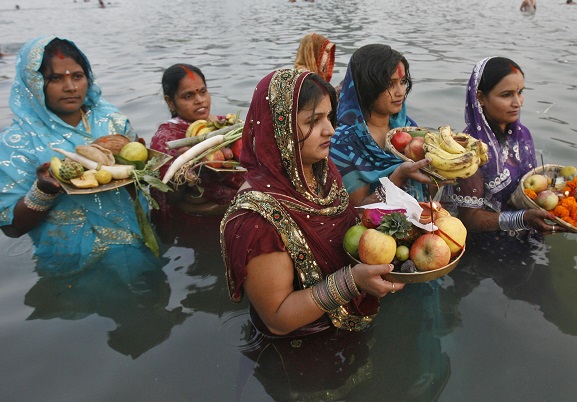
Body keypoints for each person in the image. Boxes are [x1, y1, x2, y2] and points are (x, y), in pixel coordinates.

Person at [221, 68, 404, 337]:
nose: (330, 130)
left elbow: (351, 227)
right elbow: (277, 319)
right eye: (313, 121)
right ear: (279, 129)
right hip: (301, 348)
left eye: (329, 117)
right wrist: (352, 281)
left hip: (348, 328)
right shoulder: (256, 218)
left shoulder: (321, 170)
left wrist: (398, 184)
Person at [0, 36, 159, 278]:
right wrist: (44, 190)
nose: (71, 87)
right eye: (55, 78)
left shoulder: (112, 121)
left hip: (136, 246)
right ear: (33, 83)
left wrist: (141, 168)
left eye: (77, 76)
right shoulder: (18, 142)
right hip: (70, 264)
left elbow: (138, 190)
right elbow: (11, 227)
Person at [444, 57, 559, 240]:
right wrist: (521, 219)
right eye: (506, 95)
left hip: (529, 234)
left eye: (520, 92)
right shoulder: (469, 150)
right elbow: (469, 220)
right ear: (480, 97)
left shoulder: (522, 134)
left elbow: (530, 188)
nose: (518, 103)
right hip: (486, 250)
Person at [329, 44, 434, 206]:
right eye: (390, 84)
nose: (400, 92)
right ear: (366, 87)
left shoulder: (407, 128)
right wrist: (398, 176)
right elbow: (358, 210)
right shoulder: (343, 142)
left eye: (403, 81)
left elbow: (427, 191)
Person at [149, 63, 244, 217]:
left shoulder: (226, 124)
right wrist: (184, 169)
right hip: (193, 224)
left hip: (233, 212)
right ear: (170, 102)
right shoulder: (166, 139)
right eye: (188, 96)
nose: (199, 100)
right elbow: (169, 197)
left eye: (203, 92)